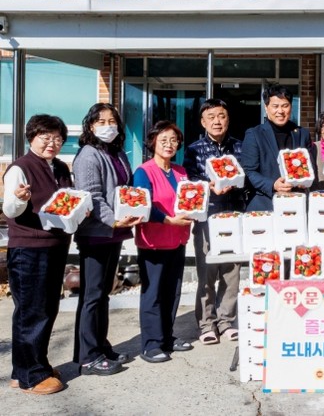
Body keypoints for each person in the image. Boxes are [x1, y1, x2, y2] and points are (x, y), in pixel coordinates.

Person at [2, 114, 71, 394]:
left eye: (57, 138)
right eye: (45, 137)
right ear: (32, 137)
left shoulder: (61, 167)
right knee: (32, 312)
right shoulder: (20, 168)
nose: (52, 143)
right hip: (29, 248)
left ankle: (29, 367)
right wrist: (19, 198)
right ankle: (31, 376)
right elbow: (10, 209)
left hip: (55, 245)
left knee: (47, 308)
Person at [72, 103, 141, 376]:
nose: (107, 126)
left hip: (114, 232)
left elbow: (125, 190)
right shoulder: (88, 155)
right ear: (90, 126)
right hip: (96, 233)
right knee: (92, 296)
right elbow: (92, 196)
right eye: (101, 121)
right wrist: (113, 219)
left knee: (103, 295)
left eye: (112, 121)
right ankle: (88, 357)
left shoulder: (117, 153)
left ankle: (101, 345)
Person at [184, 99, 247, 345]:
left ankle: (226, 321)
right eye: (211, 117)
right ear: (203, 122)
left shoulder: (240, 147)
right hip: (207, 217)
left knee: (231, 272)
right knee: (207, 271)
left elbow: (247, 177)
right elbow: (189, 180)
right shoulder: (194, 149)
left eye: (221, 116)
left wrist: (236, 183)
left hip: (233, 216)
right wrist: (208, 186)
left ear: (228, 119)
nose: (217, 121)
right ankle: (206, 324)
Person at [133, 121, 194, 363]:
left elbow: (189, 199)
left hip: (177, 239)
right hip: (154, 241)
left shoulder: (180, 171)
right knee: (153, 294)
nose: (169, 144)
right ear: (153, 143)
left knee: (172, 292)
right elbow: (143, 205)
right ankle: (151, 344)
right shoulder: (144, 171)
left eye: (174, 140)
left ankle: (167, 337)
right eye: (164, 140)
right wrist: (169, 220)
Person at [240, 84, 316, 212]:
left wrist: (304, 180)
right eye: (275, 106)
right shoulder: (254, 134)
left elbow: (310, 166)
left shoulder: (303, 134)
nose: (280, 111)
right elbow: (249, 171)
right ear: (266, 108)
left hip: (297, 205)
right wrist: (272, 185)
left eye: (285, 106)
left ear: (291, 107)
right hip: (264, 205)